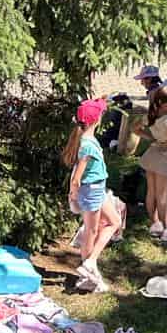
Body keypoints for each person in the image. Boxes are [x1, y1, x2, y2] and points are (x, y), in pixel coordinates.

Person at [62, 99, 117, 291]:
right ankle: (89, 268)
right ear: (96, 120)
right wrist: (74, 196)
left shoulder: (87, 140)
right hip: (91, 191)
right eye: (100, 113)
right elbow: (77, 178)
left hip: (98, 189)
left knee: (114, 222)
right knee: (91, 231)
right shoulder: (87, 145)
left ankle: (90, 264)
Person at [136, 84, 167, 241]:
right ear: (165, 104)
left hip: (152, 154)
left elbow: (136, 129)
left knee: (151, 192)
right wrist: (163, 145)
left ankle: (155, 223)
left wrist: (151, 138)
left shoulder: (151, 116)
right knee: (162, 195)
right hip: (164, 157)